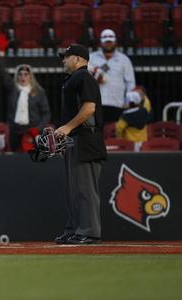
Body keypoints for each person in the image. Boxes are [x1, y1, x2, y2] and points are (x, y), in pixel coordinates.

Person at [55, 44, 107, 245]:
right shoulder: (74, 79)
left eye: (66, 57)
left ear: (77, 59)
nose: (63, 60)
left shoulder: (83, 77)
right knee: (73, 190)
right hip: (75, 139)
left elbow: (89, 109)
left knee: (85, 189)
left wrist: (67, 128)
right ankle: (75, 230)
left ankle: (89, 231)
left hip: (86, 139)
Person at [89, 29, 135, 123]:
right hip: (95, 105)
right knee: (95, 135)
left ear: (115, 41)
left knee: (113, 134)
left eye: (110, 41)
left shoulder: (124, 60)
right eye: (106, 42)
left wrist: (128, 103)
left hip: (117, 104)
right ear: (101, 42)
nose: (108, 44)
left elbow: (130, 84)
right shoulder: (91, 58)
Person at [2, 64, 51, 152]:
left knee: (33, 159)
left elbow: (46, 113)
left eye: (26, 74)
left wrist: (38, 128)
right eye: (20, 74)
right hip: (15, 131)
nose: (23, 77)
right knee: (15, 159)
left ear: (30, 76)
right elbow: (3, 74)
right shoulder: (13, 90)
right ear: (17, 76)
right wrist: (1, 56)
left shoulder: (39, 92)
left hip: (32, 131)